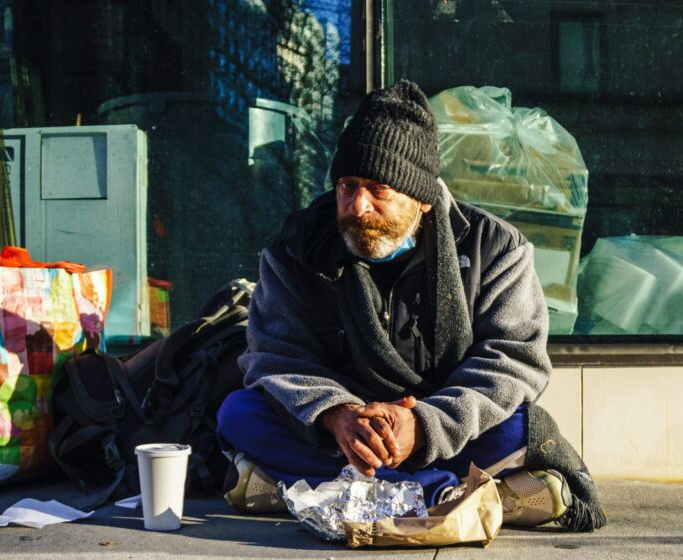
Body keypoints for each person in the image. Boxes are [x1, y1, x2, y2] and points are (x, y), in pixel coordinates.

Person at [215, 81, 605, 531]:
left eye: (378, 188)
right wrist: (336, 415)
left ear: (421, 198)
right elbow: (273, 354)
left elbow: (513, 360)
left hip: (443, 428)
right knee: (239, 414)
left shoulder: (495, 247)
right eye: (347, 186)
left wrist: (421, 425)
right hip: (339, 436)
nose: (358, 206)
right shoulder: (297, 248)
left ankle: (305, 489)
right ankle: (448, 493)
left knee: (522, 427)